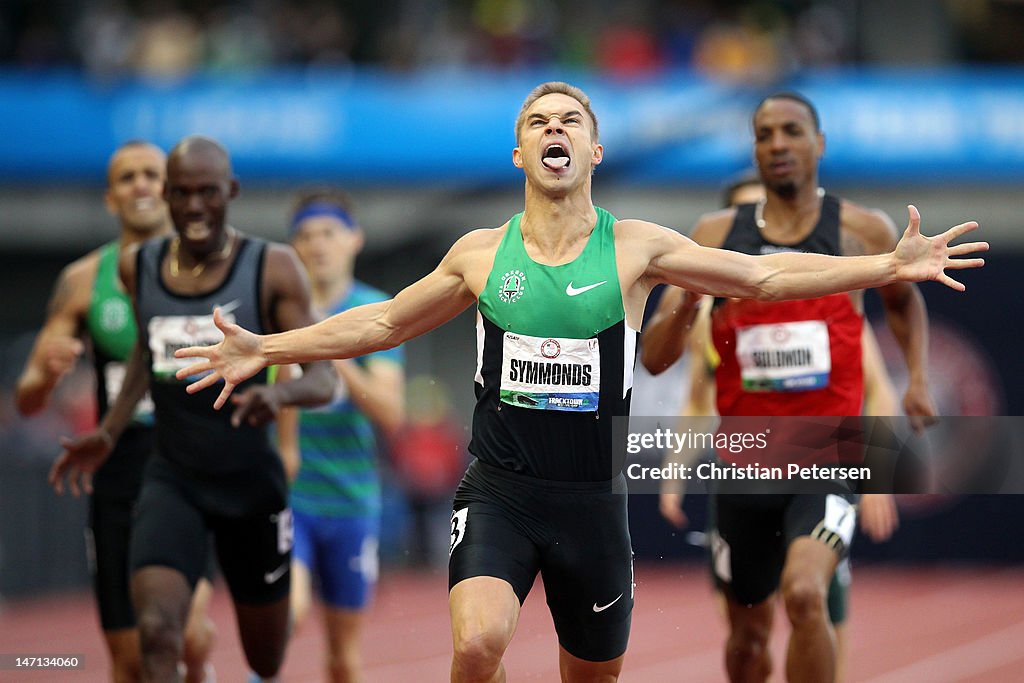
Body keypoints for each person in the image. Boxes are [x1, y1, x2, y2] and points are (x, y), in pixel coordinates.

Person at [165, 82, 982, 682]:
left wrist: (887, 265)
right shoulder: (481, 253)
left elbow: (760, 278)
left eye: (571, 121)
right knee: (479, 640)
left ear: (592, 151)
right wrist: (265, 348)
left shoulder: (635, 246)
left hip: (593, 500)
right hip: (500, 490)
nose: (554, 129)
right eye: (537, 121)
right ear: (520, 152)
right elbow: (381, 325)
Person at [48, 135, 337, 683]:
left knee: (265, 658)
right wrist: (108, 432)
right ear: (167, 198)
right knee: (157, 632)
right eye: (181, 193)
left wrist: (275, 394)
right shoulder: (142, 266)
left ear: (231, 191)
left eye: (208, 192)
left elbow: (324, 377)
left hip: (251, 483)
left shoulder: (272, 267)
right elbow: (144, 352)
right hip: (173, 478)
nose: (195, 207)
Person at [647, 170, 901, 683]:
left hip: (825, 464)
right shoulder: (707, 314)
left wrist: (878, 472)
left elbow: (877, 387)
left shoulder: (832, 299)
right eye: (748, 219)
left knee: (810, 599)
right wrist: (675, 472)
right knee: (746, 638)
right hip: (744, 474)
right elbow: (696, 399)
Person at [15, 141, 216, 683]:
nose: (141, 186)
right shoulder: (83, 281)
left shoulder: (211, 267)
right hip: (119, 476)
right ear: (111, 198)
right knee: (130, 662)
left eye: (153, 175)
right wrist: (47, 373)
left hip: (191, 469)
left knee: (188, 636)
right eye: (128, 178)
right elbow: (28, 399)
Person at [276, 189, 406, 682]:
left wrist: (336, 351)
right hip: (292, 494)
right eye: (305, 236)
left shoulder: (376, 310)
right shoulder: (279, 310)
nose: (317, 245)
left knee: (343, 659)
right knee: (288, 612)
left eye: (328, 233)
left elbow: (391, 414)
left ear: (354, 239)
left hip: (352, 501)